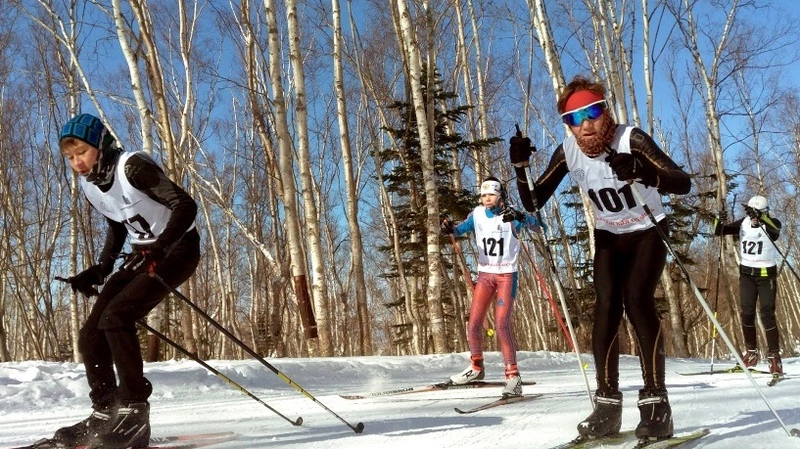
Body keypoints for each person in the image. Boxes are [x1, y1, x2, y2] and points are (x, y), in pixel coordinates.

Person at [508, 76, 691, 441]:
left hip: (647, 230)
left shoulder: (630, 139)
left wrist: (643, 172)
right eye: (574, 119)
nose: (585, 124)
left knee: (637, 299)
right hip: (608, 235)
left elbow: (681, 181)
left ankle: (657, 405)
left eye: (591, 112)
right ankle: (607, 406)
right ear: (567, 125)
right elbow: (533, 201)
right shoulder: (568, 151)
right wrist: (520, 167)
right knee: (606, 305)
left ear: (605, 111)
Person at [49, 113, 200, 449]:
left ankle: (134, 412)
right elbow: (118, 225)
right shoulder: (91, 185)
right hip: (144, 253)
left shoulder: (132, 168)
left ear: (101, 146)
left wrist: (160, 247)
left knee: (117, 317)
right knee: (91, 334)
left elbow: (185, 205)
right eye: (70, 157)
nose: (77, 163)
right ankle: (106, 410)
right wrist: (100, 270)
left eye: (82, 152)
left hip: (178, 249)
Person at [441, 176, 542, 397]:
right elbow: (459, 230)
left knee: (501, 324)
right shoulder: (477, 214)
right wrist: (448, 227)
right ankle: (476, 367)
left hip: (506, 275)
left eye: (492, 194)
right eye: (484, 195)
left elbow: (538, 227)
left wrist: (522, 217)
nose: (487, 198)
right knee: (474, 323)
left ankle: (513, 377)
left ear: (500, 195)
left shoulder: (510, 213)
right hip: (486, 275)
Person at [713, 195, 783, 376]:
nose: (753, 217)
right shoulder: (743, 223)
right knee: (747, 312)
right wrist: (719, 219)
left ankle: (774, 356)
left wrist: (761, 217)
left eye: (757, 213)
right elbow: (719, 231)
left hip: (766, 276)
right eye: (752, 213)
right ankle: (751, 352)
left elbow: (775, 230)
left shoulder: (771, 223)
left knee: (767, 314)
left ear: (765, 212)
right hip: (747, 275)